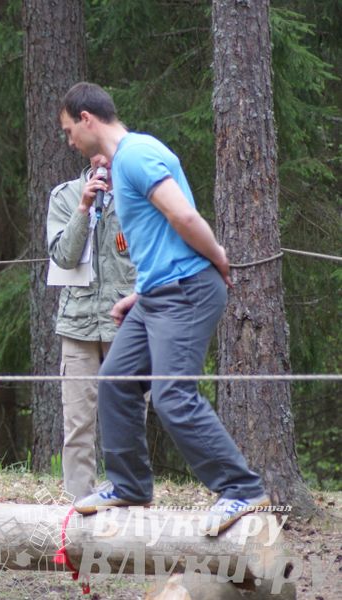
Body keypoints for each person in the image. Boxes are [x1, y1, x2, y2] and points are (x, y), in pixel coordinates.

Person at [57, 82, 268, 534]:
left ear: (87, 118)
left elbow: (183, 217)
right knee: (115, 380)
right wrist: (140, 293)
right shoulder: (124, 162)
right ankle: (130, 485)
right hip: (156, 294)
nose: (70, 139)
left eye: (69, 128)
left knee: (172, 394)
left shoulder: (136, 154)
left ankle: (242, 490)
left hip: (187, 290)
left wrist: (217, 256)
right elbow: (161, 240)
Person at [46, 154, 137, 500]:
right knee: (78, 424)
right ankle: (79, 504)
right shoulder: (65, 195)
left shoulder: (139, 195)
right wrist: (83, 208)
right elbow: (64, 257)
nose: (104, 160)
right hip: (77, 326)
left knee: (128, 417)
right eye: (97, 152)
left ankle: (127, 494)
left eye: (110, 152)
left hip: (125, 325)